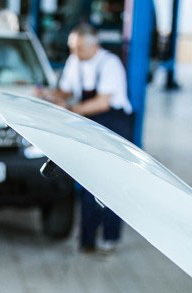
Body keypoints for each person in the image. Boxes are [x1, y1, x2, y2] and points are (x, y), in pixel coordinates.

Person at [38, 23, 134, 253]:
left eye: (79, 48)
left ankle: (110, 237)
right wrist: (47, 95)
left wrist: (71, 109)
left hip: (114, 125)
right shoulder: (75, 62)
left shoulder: (110, 64)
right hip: (89, 123)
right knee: (89, 179)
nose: (74, 52)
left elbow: (103, 102)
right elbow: (67, 90)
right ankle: (87, 240)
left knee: (111, 182)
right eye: (72, 47)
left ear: (94, 46)